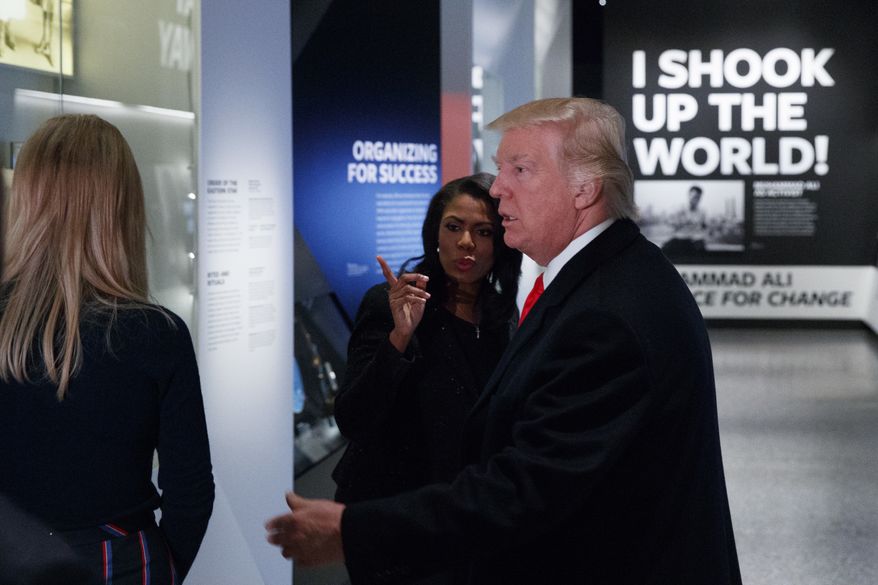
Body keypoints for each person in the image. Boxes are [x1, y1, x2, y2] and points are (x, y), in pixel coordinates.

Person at [266, 97, 742, 585]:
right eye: (500, 169)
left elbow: (530, 490)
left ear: (585, 189)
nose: (499, 189)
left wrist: (353, 529)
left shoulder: (604, 313)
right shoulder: (607, 279)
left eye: (521, 169)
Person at [0, 114, 214, 584]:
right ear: (122, 208)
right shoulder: (157, 334)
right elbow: (191, 492)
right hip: (119, 560)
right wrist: (160, 568)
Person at [332, 173, 521, 507]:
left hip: (464, 508)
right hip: (391, 509)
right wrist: (399, 338)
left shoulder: (500, 312)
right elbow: (352, 418)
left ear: (501, 242)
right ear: (434, 233)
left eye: (483, 231)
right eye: (453, 227)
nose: (466, 242)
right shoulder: (392, 303)